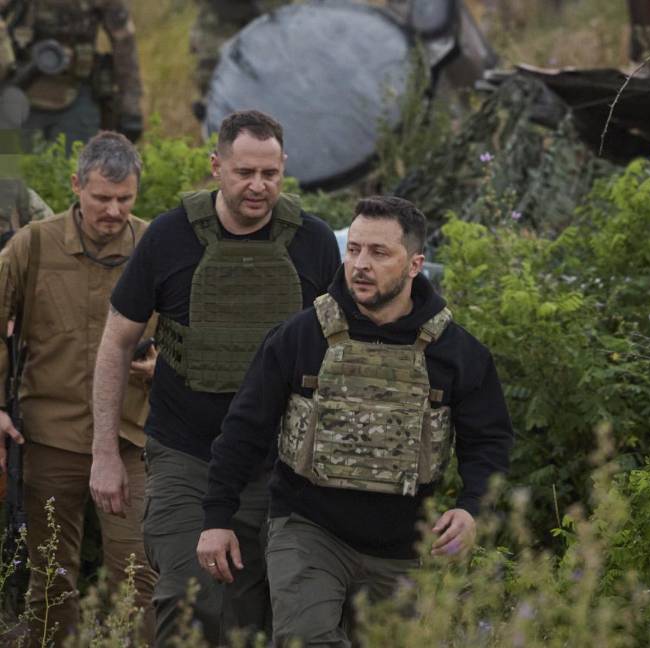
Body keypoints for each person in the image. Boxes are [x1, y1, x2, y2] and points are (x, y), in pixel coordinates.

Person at [196, 196, 513, 645]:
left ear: (415, 264)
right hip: (308, 528)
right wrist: (217, 517)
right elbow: (244, 430)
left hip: (405, 544)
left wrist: (472, 508)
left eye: (379, 253)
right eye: (354, 249)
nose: (361, 264)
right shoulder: (300, 336)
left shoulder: (457, 353)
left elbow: (490, 443)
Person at [89, 110, 341, 646]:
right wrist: (105, 452)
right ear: (216, 167)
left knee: (258, 612)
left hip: (279, 461)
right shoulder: (169, 237)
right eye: (244, 172)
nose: (258, 186)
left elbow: (341, 349)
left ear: (284, 169)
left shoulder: (314, 242)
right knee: (189, 601)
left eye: (270, 174)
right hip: (187, 455)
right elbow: (116, 343)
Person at [0, 131, 157, 644]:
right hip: (52, 436)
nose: (113, 210)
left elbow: (192, 332)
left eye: (124, 199)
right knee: (51, 581)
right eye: (101, 198)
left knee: (137, 575)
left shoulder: (156, 246)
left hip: (133, 438)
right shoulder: (33, 245)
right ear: (75, 187)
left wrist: (163, 366)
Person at [2, 0, 143, 146]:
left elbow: (124, 42)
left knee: (75, 164)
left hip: (78, 94)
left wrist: (130, 109)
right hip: (18, 91)